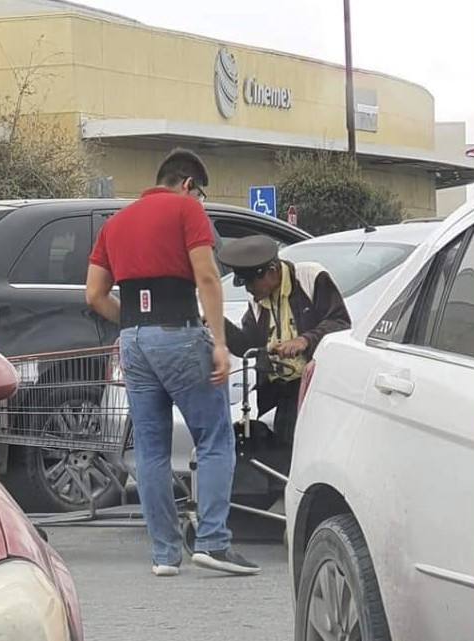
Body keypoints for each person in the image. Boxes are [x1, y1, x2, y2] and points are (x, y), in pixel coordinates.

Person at [85, 148, 260, 577]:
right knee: (215, 437)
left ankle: (164, 554)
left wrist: (134, 326)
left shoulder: (115, 223)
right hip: (179, 332)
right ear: (187, 184)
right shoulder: (186, 210)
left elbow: (94, 295)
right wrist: (219, 342)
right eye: (199, 193)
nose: (199, 201)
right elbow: (206, 276)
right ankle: (213, 542)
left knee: (150, 449)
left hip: (133, 340)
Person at [220, 235, 352, 463]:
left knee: (300, 455)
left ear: (271, 272)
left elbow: (340, 322)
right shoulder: (257, 299)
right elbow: (247, 345)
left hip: (311, 386)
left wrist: (304, 340)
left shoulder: (310, 277)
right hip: (278, 391)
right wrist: (219, 324)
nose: (249, 290)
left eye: (251, 283)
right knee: (279, 457)